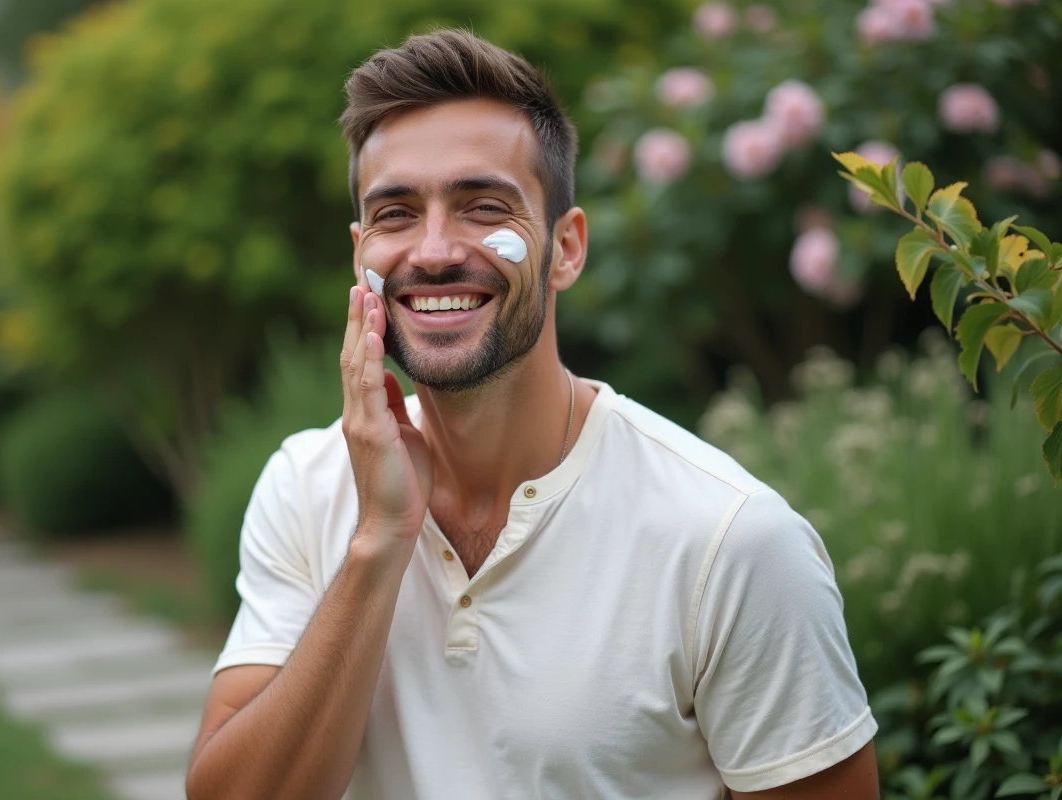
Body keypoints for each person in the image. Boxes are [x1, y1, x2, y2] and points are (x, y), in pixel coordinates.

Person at [186, 29, 880, 800]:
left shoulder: (731, 541)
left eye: (484, 207)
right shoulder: (305, 485)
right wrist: (379, 542)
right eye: (396, 214)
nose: (436, 250)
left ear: (567, 247)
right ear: (360, 255)